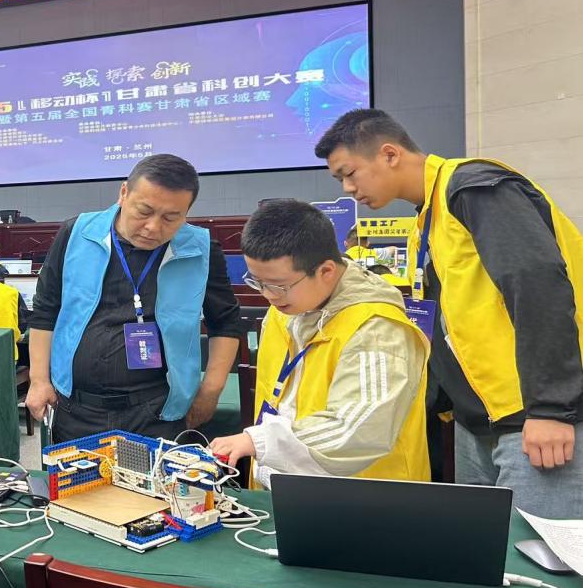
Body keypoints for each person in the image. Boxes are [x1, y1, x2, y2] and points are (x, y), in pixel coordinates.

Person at [315, 108, 583, 518]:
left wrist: (550, 408)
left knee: (536, 550)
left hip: (531, 416)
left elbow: (538, 285)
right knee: (482, 550)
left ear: (389, 154)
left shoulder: (474, 187)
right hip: (476, 419)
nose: (349, 189)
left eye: (348, 173)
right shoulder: (428, 218)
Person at [210, 200, 430, 489]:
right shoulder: (283, 310)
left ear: (326, 271)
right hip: (285, 488)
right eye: (257, 282)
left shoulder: (377, 328)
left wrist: (259, 441)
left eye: (278, 285)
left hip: (362, 498)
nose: (267, 295)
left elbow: (360, 430)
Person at [27, 154, 242, 443]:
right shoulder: (77, 233)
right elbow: (45, 311)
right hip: (75, 407)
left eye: (171, 218)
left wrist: (211, 391)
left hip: (158, 411)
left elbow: (225, 322)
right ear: (123, 193)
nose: (153, 227)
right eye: (144, 211)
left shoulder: (200, 249)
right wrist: (39, 380)